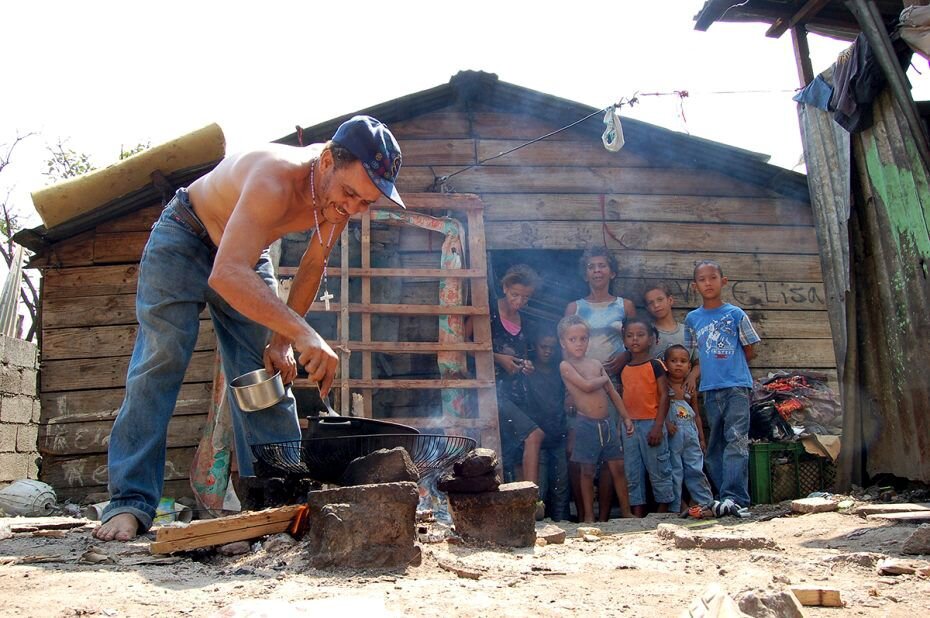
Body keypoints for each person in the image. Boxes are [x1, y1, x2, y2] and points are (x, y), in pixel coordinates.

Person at [94, 116, 406, 541]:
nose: (352, 208)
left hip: (245, 256)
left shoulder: (337, 200)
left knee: (262, 377)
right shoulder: (274, 176)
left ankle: (282, 503)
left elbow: (313, 265)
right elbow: (226, 274)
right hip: (184, 237)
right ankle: (129, 502)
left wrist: (283, 342)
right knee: (160, 362)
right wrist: (305, 333)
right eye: (350, 194)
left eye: (366, 203)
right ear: (328, 159)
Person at [684, 260, 760, 516]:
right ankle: (723, 496)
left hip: (737, 386)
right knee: (715, 443)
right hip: (710, 389)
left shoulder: (736, 314)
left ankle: (736, 497)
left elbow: (749, 350)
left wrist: (729, 365)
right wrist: (696, 375)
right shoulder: (692, 319)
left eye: (713, 277)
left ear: (723, 281)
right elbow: (696, 356)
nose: (708, 283)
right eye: (702, 279)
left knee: (736, 441)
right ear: (695, 286)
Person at [564, 247, 635, 520]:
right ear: (585, 274)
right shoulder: (575, 307)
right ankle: (585, 515)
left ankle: (605, 515)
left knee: (610, 449)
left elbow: (634, 338)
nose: (597, 270)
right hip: (579, 384)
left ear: (612, 271)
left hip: (613, 381)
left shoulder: (624, 305)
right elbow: (566, 350)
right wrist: (568, 392)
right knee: (580, 450)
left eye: (602, 266)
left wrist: (625, 356)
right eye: (592, 266)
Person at [558, 315, 634, 523]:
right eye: (573, 339)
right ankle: (589, 516)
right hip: (586, 425)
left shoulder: (594, 363)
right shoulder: (566, 366)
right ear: (563, 342)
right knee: (587, 471)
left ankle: (626, 511)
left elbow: (613, 393)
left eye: (583, 338)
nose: (579, 343)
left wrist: (626, 417)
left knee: (617, 466)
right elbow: (586, 386)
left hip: (606, 422)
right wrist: (604, 377)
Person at [488, 264, 543, 484]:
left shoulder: (525, 322)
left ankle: (519, 501)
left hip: (517, 394)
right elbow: (466, 348)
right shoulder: (488, 313)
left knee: (516, 450)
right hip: (493, 393)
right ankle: (532, 498)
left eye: (525, 298)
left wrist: (528, 366)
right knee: (534, 435)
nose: (519, 302)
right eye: (515, 295)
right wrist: (497, 358)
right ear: (504, 288)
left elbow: (525, 356)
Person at [619, 316, 674, 517]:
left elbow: (665, 396)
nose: (635, 339)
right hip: (630, 426)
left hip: (652, 423)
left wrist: (659, 426)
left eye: (640, 335)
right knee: (632, 470)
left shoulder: (656, 365)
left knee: (659, 467)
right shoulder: (623, 368)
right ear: (623, 340)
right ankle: (638, 509)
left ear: (651, 339)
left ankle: (664, 507)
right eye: (629, 336)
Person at [663, 344, 714, 517]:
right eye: (673, 361)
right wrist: (665, 423)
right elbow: (658, 408)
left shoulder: (689, 388)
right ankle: (676, 505)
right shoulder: (664, 386)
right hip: (673, 435)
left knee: (695, 469)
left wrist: (701, 438)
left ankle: (705, 503)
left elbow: (696, 415)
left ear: (689, 367)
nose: (678, 364)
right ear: (665, 364)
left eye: (683, 361)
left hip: (691, 434)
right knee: (674, 470)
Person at [524, 329, 570, 521]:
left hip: (558, 434)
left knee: (561, 486)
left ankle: (563, 522)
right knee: (539, 486)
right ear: (534, 347)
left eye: (552, 347)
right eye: (544, 347)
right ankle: (538, 524)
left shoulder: (561, 371)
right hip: (538, 437)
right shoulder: (528, 371)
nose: (548, 351)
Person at [643, 282, 686, 359]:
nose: (656, 305)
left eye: (660, 299)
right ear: (647, 308)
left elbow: (697, 363)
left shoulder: (687, 332)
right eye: (651, 303)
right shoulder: (645, 333)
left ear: (670, 300)